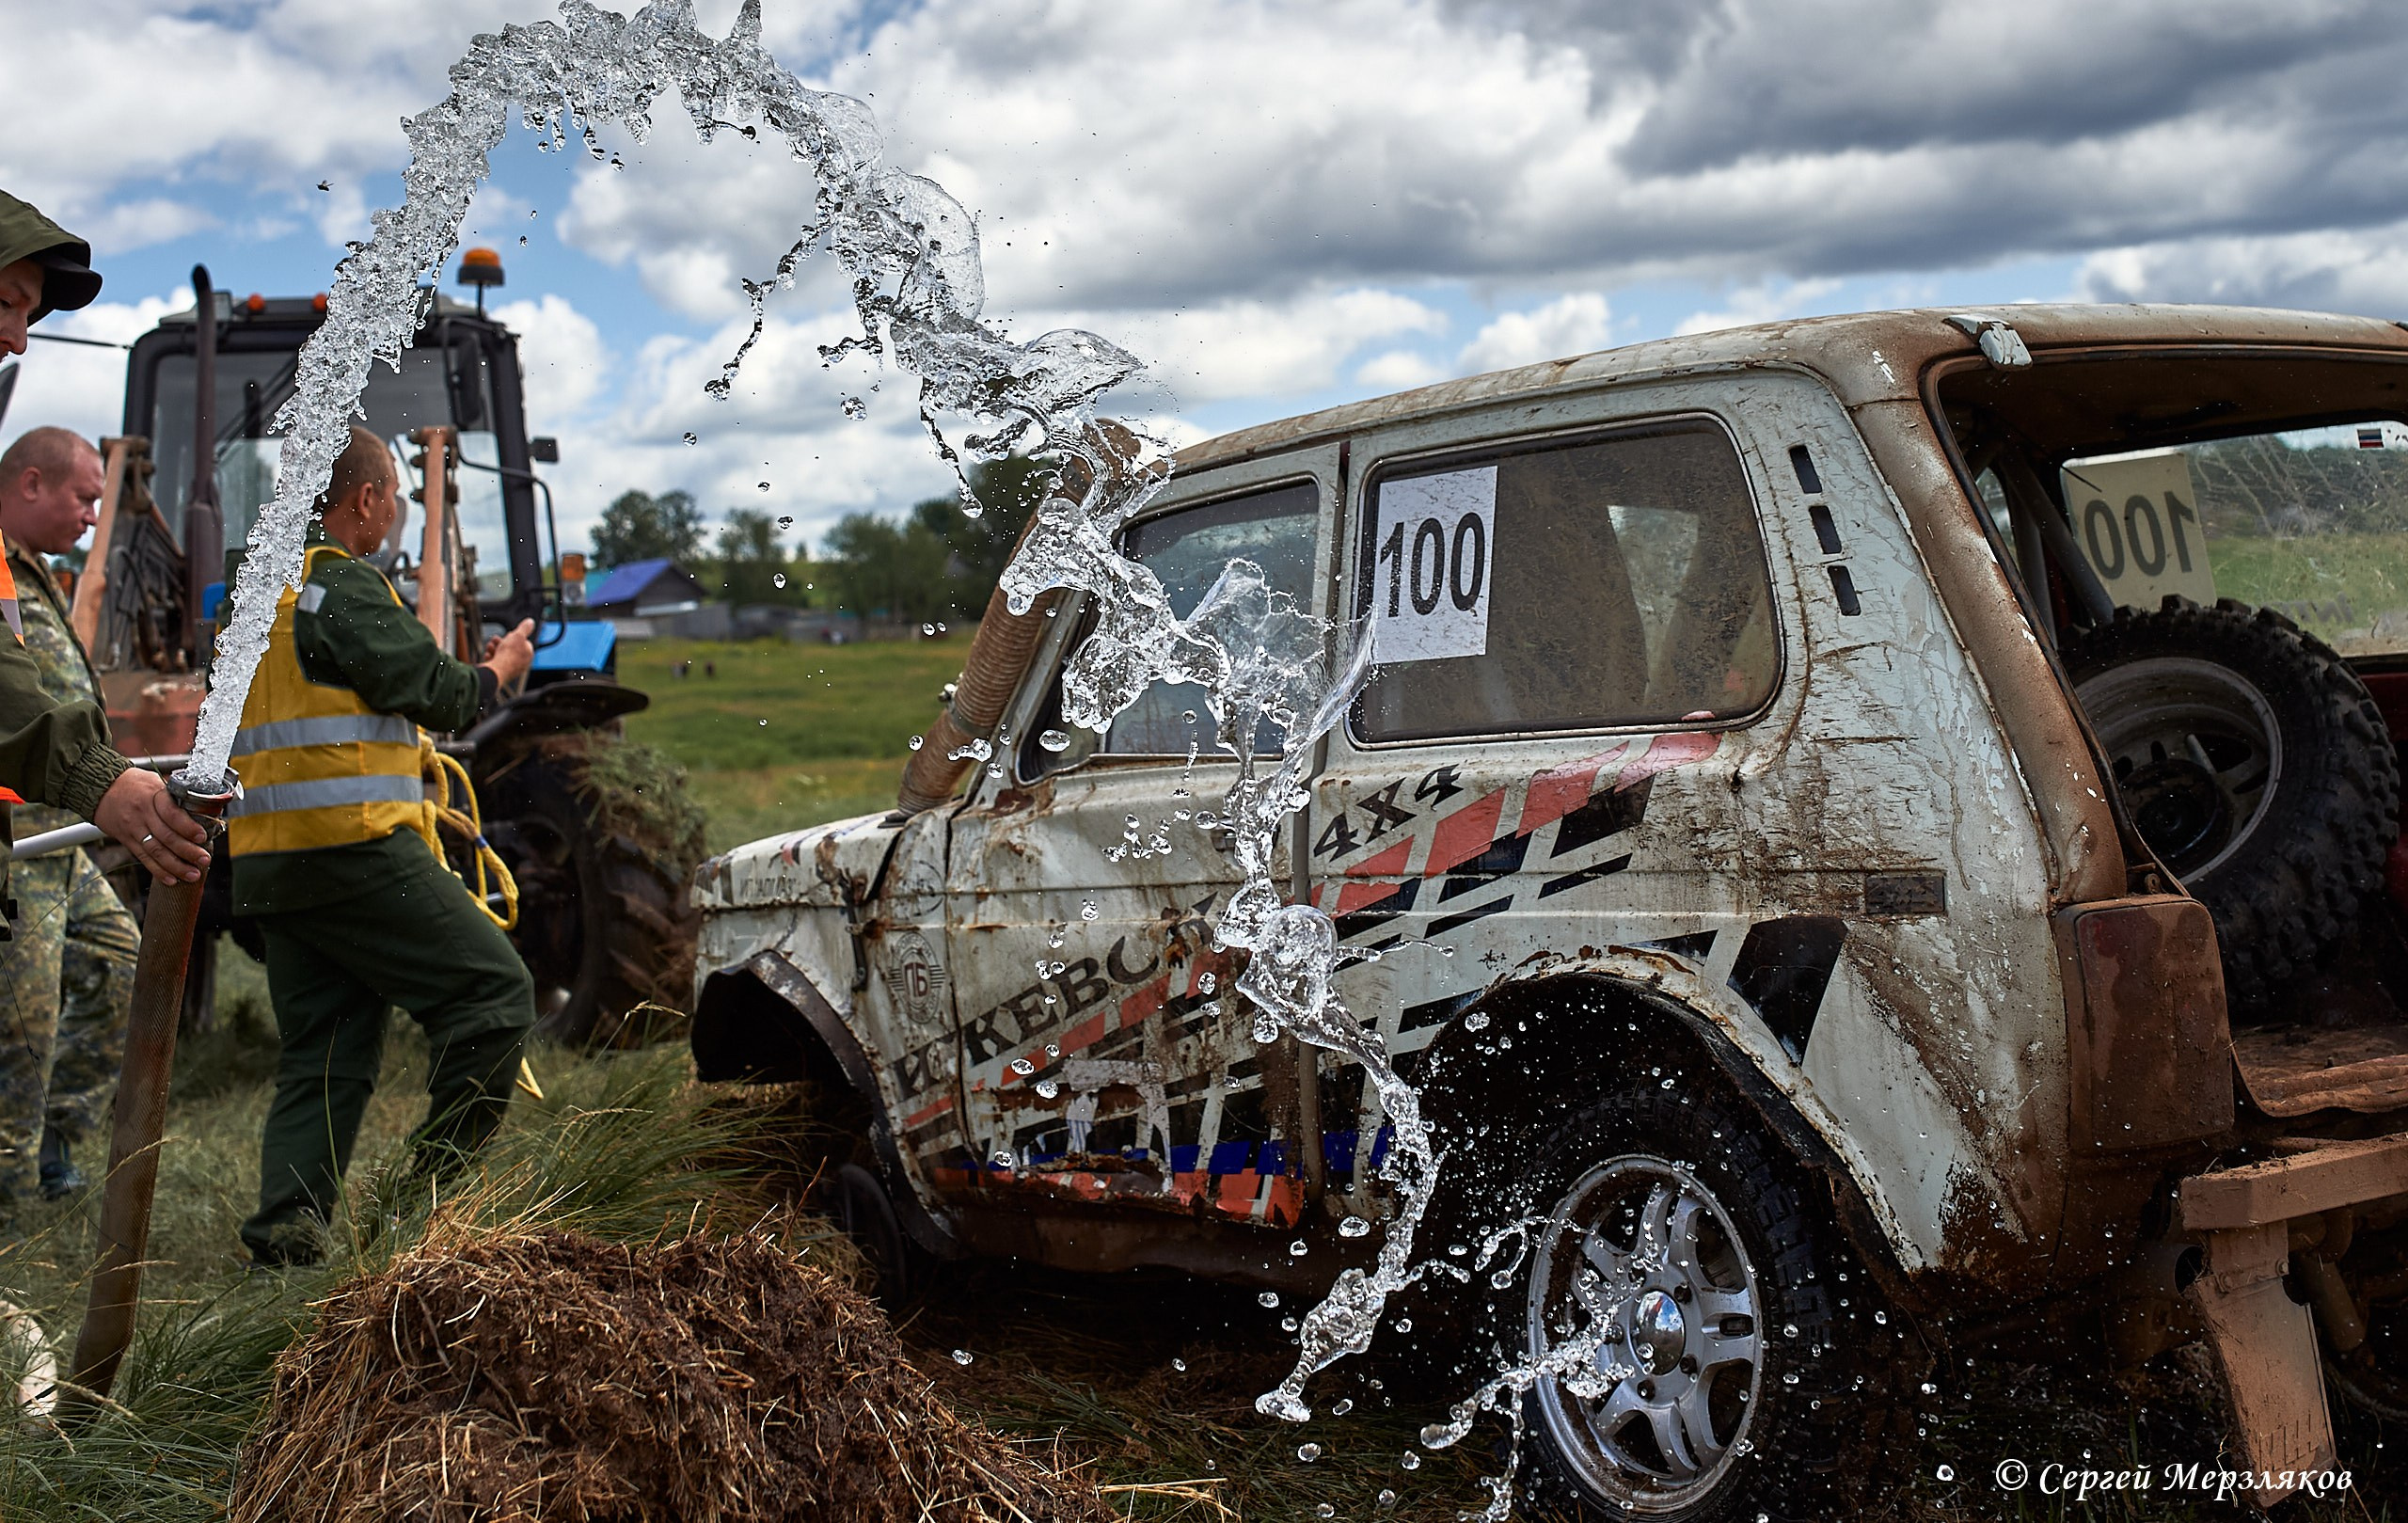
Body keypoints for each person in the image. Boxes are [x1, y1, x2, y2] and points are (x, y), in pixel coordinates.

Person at [231, 425, 537, 1266]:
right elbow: (436, 693)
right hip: (354, 850)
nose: (396, 513)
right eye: (394, 498)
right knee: (493, 996)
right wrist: (499, 671)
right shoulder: (341, 588)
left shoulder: (251, 594)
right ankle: (417, 1215)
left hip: (268, 864)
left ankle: (283, 1251)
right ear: (364, 500)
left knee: (323, 1059)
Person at [0, 190, 214, 1226]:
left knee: (106, 960)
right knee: (22, 1021)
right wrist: (100, 776)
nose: (15, 331)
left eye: (29, 312)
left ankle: (49, 1162)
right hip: (26, 815)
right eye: (3, 297)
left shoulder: (29, 573)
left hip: (41, 813)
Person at [0, 428, 142, 1203]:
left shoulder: (37, 573)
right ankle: (14, 1222)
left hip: (56, 829)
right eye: (85, 496)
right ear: (30, 483)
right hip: (17, 834)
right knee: (24, 1031)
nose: (94, 514)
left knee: (124, 960)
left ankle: (55, 1134)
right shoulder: (2, 569)